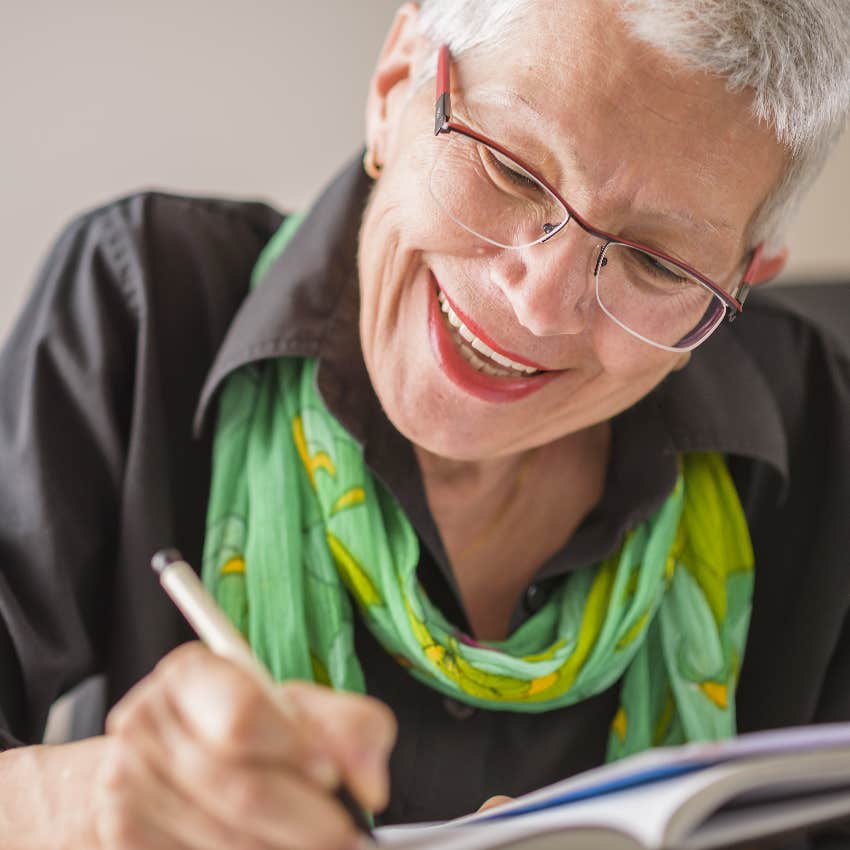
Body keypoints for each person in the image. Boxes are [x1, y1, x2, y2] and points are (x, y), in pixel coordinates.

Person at [1, 1, 849, 847]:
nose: (539, 304)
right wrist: (86, 800)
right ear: (395, 83)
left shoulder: (818, 419)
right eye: (514, 170)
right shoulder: (142, 300)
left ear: (746, 278)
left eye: (656, 262)